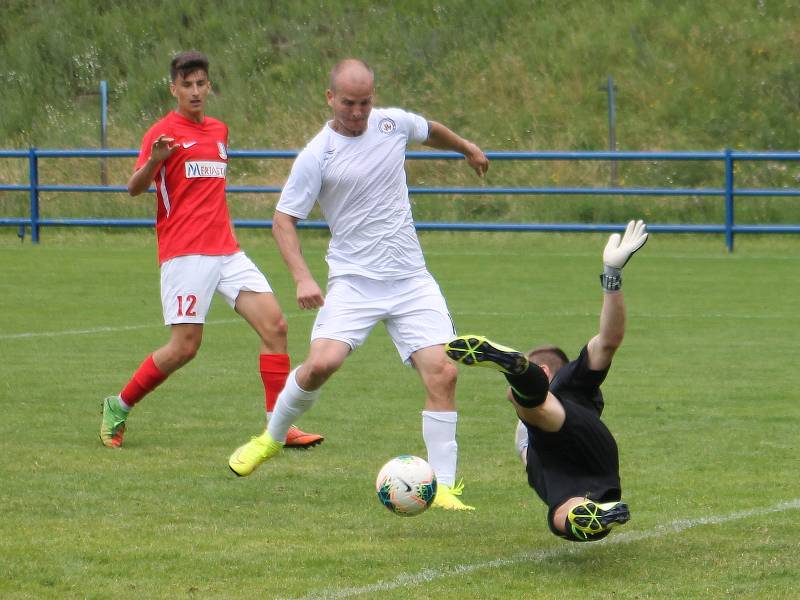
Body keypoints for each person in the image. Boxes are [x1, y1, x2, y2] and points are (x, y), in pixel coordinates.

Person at [227, 58, 489, 511]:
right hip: (353, 282)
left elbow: (430, 128)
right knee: (320, 365)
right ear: (331, 98)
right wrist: (303, 276)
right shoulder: (318, 154)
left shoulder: (392, 124)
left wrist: (466, 147)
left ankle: (443, 486)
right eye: (348, 102)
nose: (357, 111)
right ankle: (271, 438)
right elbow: (283, 220)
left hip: (410, 280)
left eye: (364, 102)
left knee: (444, 372)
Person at [99, 50, 322, 450]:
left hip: (226, 251)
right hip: (185, 253)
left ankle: (278, 426)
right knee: (185, 347)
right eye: (187, 85)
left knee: (276, 326)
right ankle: (118, 405)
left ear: (209, 86)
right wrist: (155, 160)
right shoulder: (162, 133)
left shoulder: (219, 130)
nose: (196, 91)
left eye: (201, 83)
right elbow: (133, 188)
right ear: (174, 89)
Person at [445, 219, 648, 539]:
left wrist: (613, 274)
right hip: (583, 463)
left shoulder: (571, 380)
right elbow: (609, 340)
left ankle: (519, 373)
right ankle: (586, 513)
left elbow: (608, 339)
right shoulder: (575, 386)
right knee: (563, 518)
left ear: (548, 372)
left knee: (535, 409)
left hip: (559, 433)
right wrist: (612, 276)